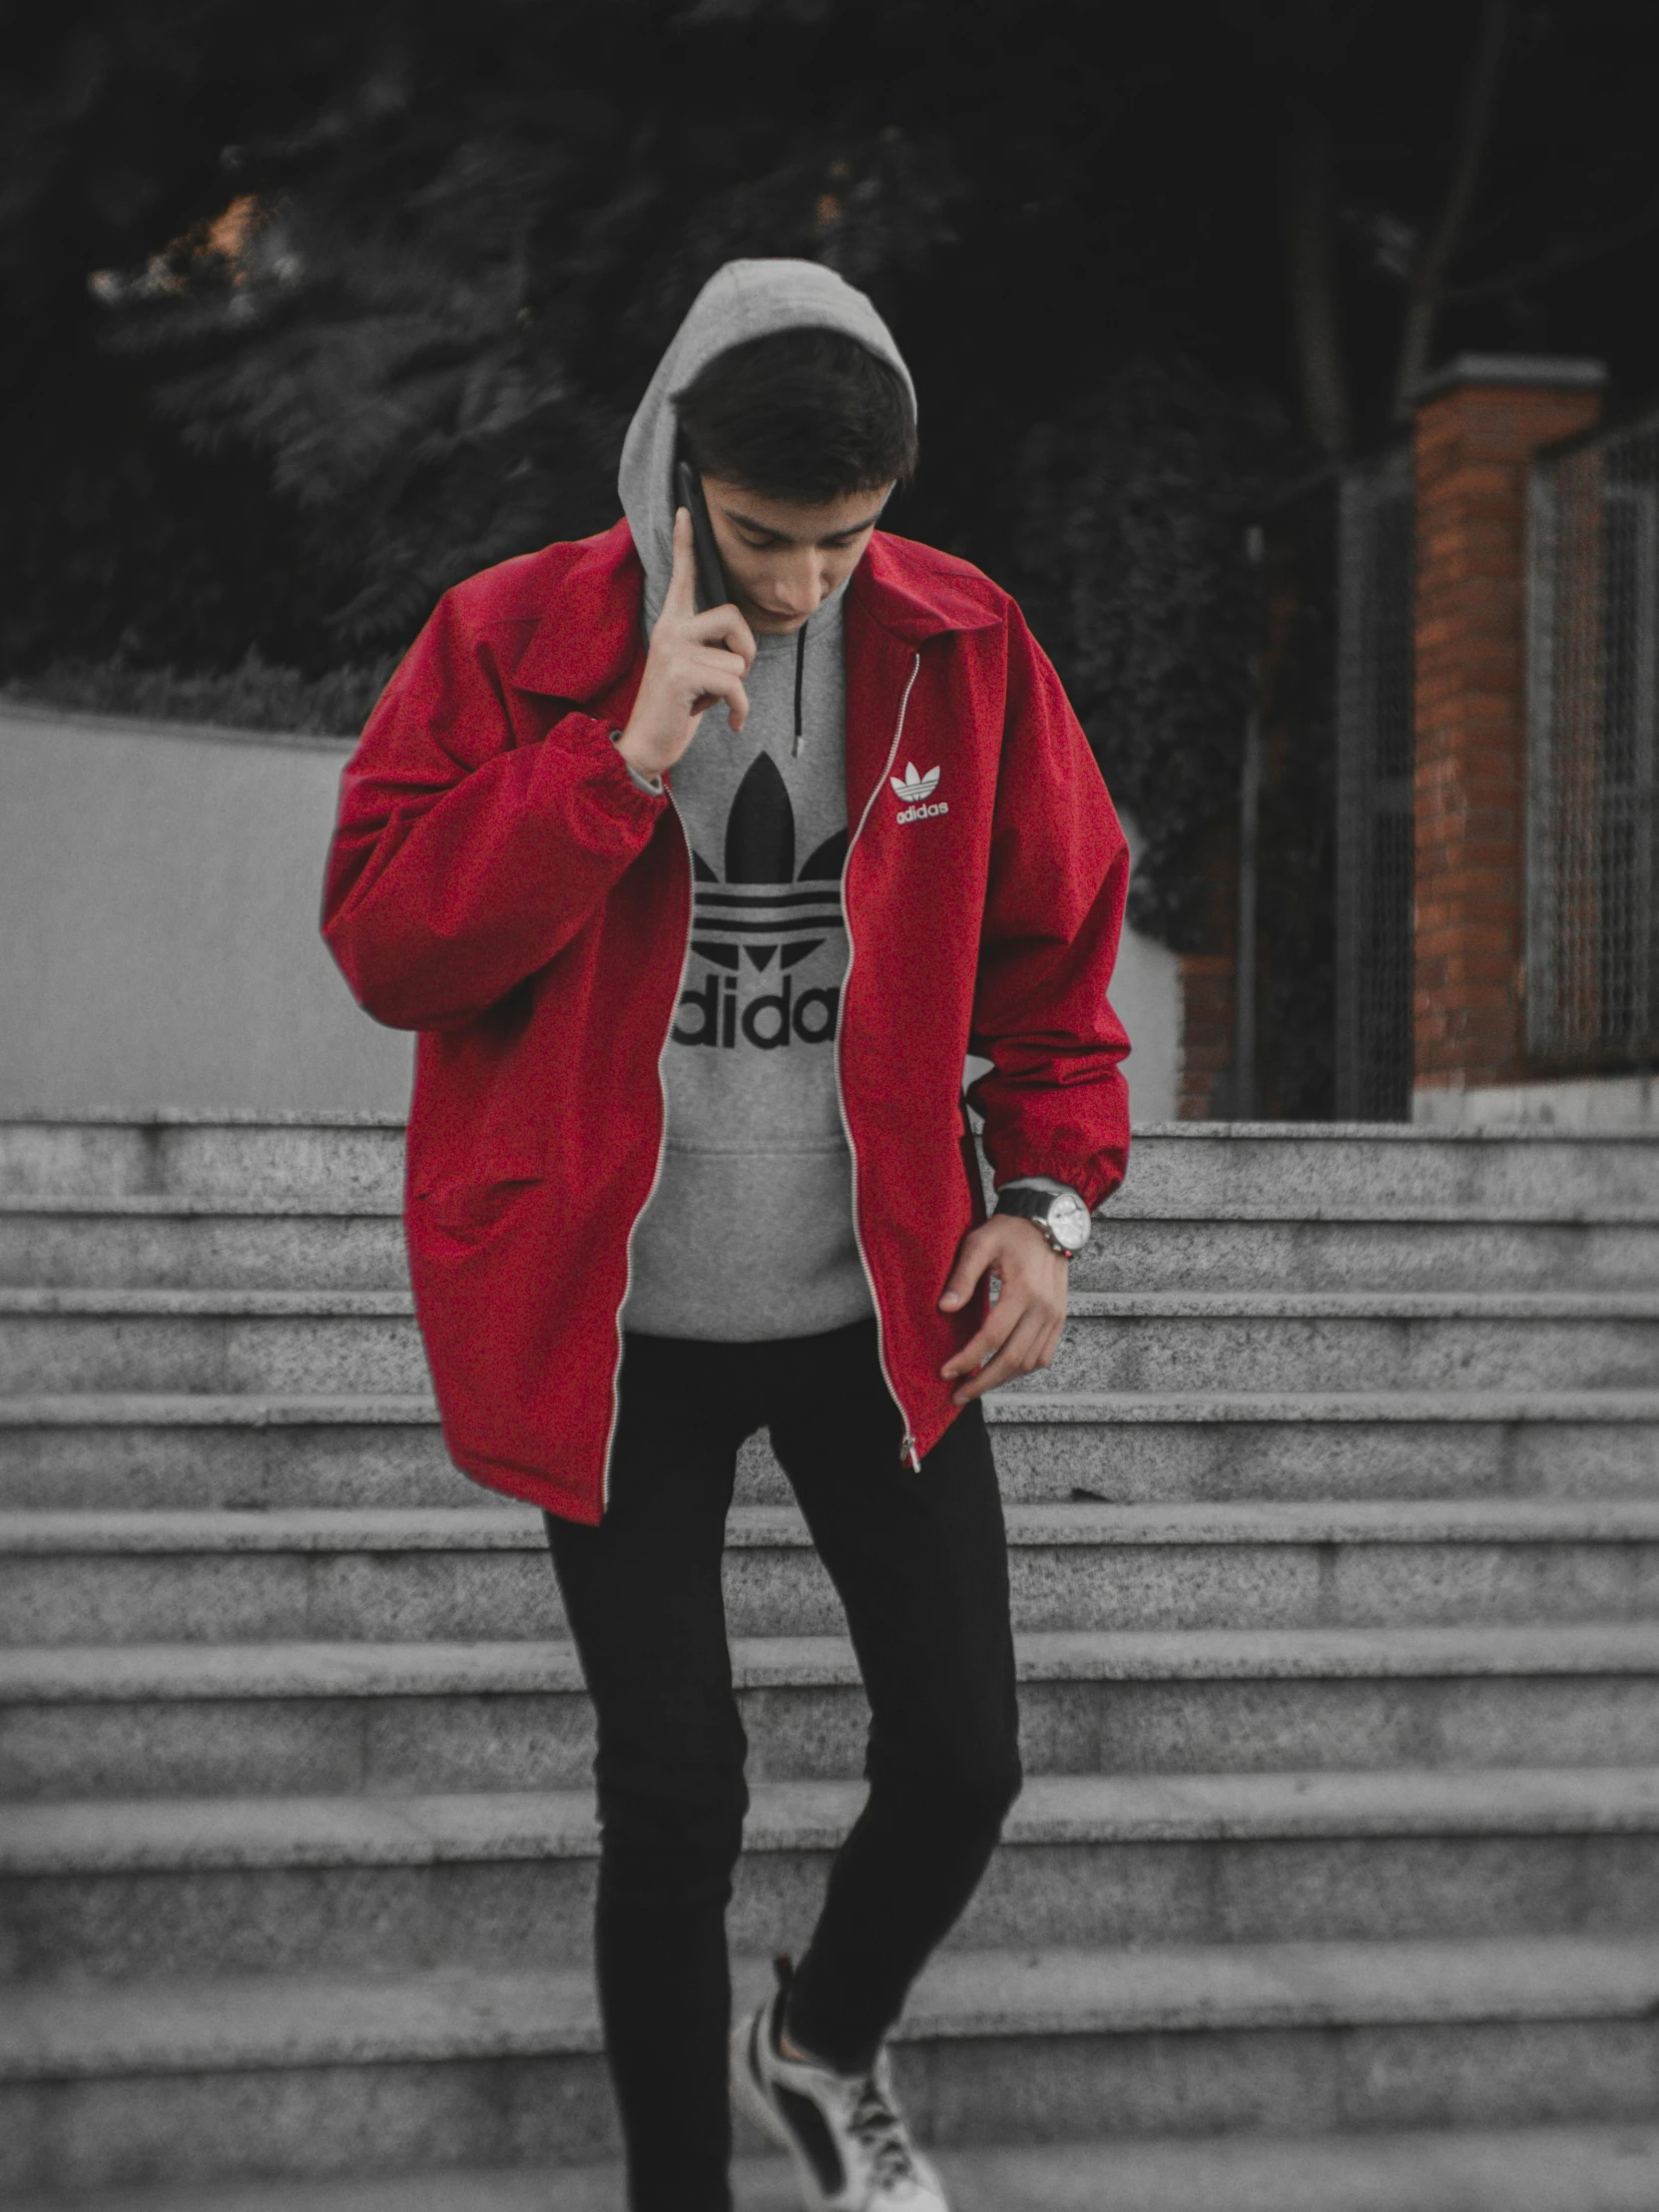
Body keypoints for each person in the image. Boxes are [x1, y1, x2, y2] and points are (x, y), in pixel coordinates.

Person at [321, 257, 1131, 2212]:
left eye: (845, 539)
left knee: (966, 1759)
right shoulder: (509, 638)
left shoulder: (963, 639)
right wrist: (610, 766)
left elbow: (1059, 961)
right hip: (621, 1332)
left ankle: (823, 2043)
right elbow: (390, 942)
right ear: (672, 468)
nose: (803, 584)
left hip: (878, 1311)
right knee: (674, 1798)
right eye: (767, 539)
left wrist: (1044, 1208)